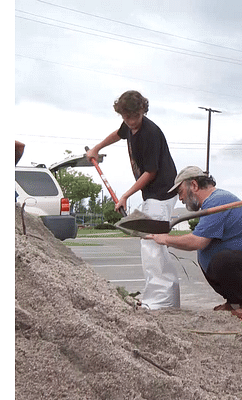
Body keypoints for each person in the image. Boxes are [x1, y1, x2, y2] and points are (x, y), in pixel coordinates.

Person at [86, 90, 180, 310]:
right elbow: (118, 134)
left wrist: (126, 195)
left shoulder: (150, 133)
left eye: (135, 117)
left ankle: (162, 301)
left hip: (163, 190)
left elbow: (150, 173)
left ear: (142, 111)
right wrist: (97, 148)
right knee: (148, 242)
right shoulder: (128, 126)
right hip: (152, 193)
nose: (131, 122)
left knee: (152, 242)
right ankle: (161, 298)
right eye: (126, 118)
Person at [146, 166, 242, 316]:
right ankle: (234, 302)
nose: (180, 198)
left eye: (180, 192)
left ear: (194, 185)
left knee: (222, 260)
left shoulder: (218, 201)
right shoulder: (212, 203)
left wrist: (165, 239)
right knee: (209, 256)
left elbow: (197, 241)